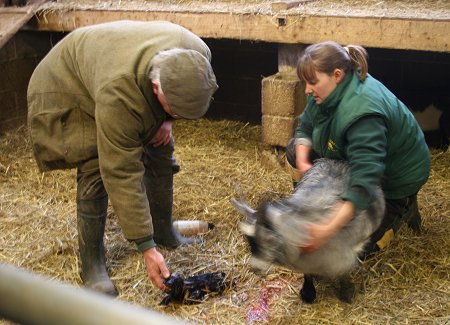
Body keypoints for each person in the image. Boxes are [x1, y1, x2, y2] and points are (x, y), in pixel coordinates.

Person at [27, 20, 218, 296]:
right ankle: (92, 265)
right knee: (95, 164)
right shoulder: (119, 94)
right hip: (68, 82)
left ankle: (164, 230)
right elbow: (121, 172)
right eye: (170, 109)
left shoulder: (197, 55)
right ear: (155, 88)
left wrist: (166, 120)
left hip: (118, 67)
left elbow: (181, 98)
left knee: (161, 146)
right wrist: (146, 248)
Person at [286, 41, 430, 256]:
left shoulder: (363, 115)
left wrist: (327, 229)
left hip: (394, 174)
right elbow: (306, 124)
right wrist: (302, 161)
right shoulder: (323, 91)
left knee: (354, 250)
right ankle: (315, 206)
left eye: (312, 82)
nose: (307, 89)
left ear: (336, 75)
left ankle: (404, 206)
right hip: (353, 154)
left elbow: (365, 180)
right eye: (305, 82)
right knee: (292, 149)